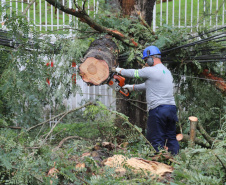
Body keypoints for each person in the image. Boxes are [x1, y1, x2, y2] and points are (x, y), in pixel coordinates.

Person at [112, 46, 179, 155]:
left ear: (151, 58)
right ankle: (176, 161)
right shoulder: (166, 71)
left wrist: (118, 69)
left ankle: (158, 164)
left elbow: (134, 73)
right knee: (171, 137)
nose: (145, 64)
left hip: (158, 110)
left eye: (145, 61)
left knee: (155, 139)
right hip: (171, 109)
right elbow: (149, 85)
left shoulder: (151, 70)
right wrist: (132, 87)